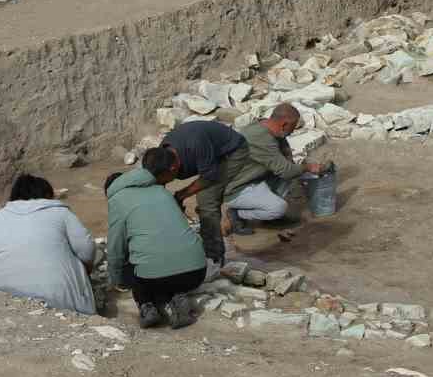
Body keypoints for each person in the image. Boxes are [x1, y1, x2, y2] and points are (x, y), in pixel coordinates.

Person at [106, 149, 210, 329]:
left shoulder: (118, 199)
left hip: (152, 277)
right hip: (196, 271)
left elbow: (115, 247)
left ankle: (147, 307)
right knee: (164, 263)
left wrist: (116, 279)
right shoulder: (163, 193)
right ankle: (176, 297)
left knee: (137, 267)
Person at [0, 173, 97, 314]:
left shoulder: (0, 216)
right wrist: (86, 269)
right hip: (58, 300)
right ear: (47, 195)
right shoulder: (60, 212)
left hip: (3, 301)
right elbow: (87, 248)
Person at [217, 103, 327, 238]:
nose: (292, 132)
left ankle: (269, 215)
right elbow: (287, 170)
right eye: (292, 128)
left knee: (290, 173)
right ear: (284, 124)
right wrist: (308, 167)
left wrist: (290, 158)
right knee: (278, 208)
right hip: (235, 189)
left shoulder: (269, 128)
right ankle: (236, 214)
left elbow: (287, 160)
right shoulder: (259, 138)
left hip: (252, 178)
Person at [160, 119, 248, 266]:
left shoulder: (196, 144)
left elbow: (208, 177)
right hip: (210, 150)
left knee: (206, 198)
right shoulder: (162, 154)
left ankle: (214, 257)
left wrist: (181, 195)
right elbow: (158, 183)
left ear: (174, 167)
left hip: (233, 151)